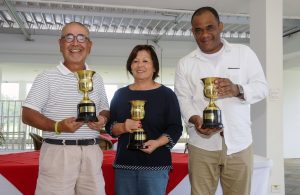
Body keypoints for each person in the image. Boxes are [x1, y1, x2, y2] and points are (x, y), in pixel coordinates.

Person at [174, 7, 268, 195]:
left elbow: (262, 88)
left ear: (220, 27)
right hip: (202, 145)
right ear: (193, 32)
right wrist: (195, 119)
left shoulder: (244, 53)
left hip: (239, 144)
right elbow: (183, 99)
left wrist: (238, 89)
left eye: (210, 27)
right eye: (198, 30)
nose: (205, 34)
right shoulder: (185, 63)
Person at [22, 22, 109, 195]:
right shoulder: (46, 77)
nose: (75, 43)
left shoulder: (97, 78)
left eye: (81, 37)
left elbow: (104, 108)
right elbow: (27, 114)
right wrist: (58, 126)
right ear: (60, 44)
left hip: (92, 151)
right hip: (58, 152)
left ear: (89, 45)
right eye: (69, 37)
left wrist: (103, 118)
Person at [106, 45, 183, 195]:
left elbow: (175, 127)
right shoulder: (120, 94)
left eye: (145, 61)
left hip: (156, 165)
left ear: (154, 67)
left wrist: (158, 143)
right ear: (130, 66)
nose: (140, 65)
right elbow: (110, 127)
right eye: (135, 61)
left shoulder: (166, 94)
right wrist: (123, 126)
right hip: (125, 165)